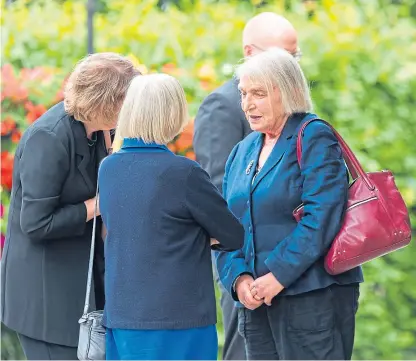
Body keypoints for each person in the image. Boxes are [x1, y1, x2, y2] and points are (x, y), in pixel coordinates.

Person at [215, 47, 364, 360]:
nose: (248, 104)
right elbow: (226, 227)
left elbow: (322, 217)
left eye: (259, 93)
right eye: (243, 93)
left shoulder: (313, 135)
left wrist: (277, 276)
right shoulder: (242, 150)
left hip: (312, 299)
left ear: (290, 91)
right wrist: (239, 280)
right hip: (255, 304)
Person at [0, 53, 140, 360]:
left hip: (80, 288)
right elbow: (36, 223)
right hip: (47, 300)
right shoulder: (48, 138)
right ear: (107, 103)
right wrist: (97, 206)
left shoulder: (102, 130)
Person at [98, 73, 244, 360]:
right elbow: (233, 235)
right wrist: (200, 237)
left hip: (122, 315)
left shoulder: (108, 168)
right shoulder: (184, 173)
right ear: (173, 114)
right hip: (179, 318)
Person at [193, 12, 301, 360]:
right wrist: (243, 273)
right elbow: (217, 194)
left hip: (293, 265)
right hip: (247, 264)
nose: (291, 67)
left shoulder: (295, 110)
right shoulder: (223, 106)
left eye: (294, 57)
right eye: (281, 57)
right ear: (249, 53)